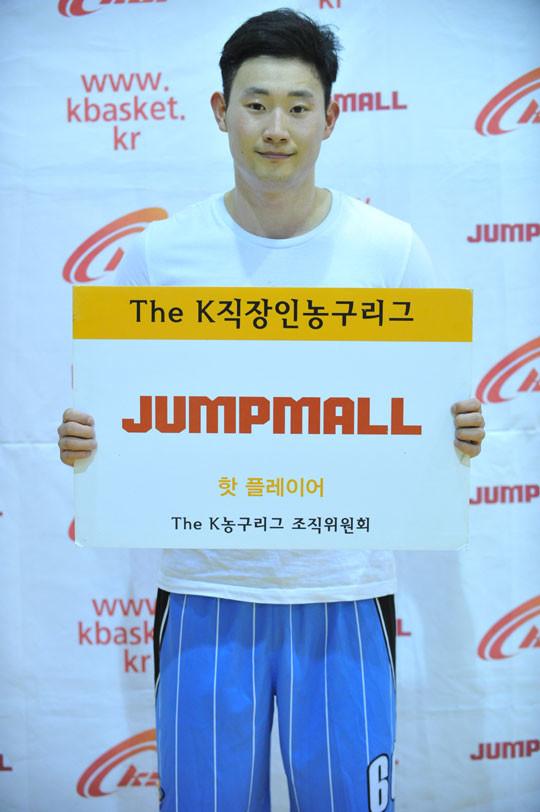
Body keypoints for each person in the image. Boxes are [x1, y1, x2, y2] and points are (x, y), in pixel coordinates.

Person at [58, 9, 485, 811]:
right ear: (220, 111)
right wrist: (88, 440)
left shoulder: (389, 250)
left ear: (332, 115)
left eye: (297, 105)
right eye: (255, 104)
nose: (276, 128)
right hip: (205, 589)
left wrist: (455, 432)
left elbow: (431, 409)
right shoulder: (158, 255)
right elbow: (113, 410)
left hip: (345, 590)